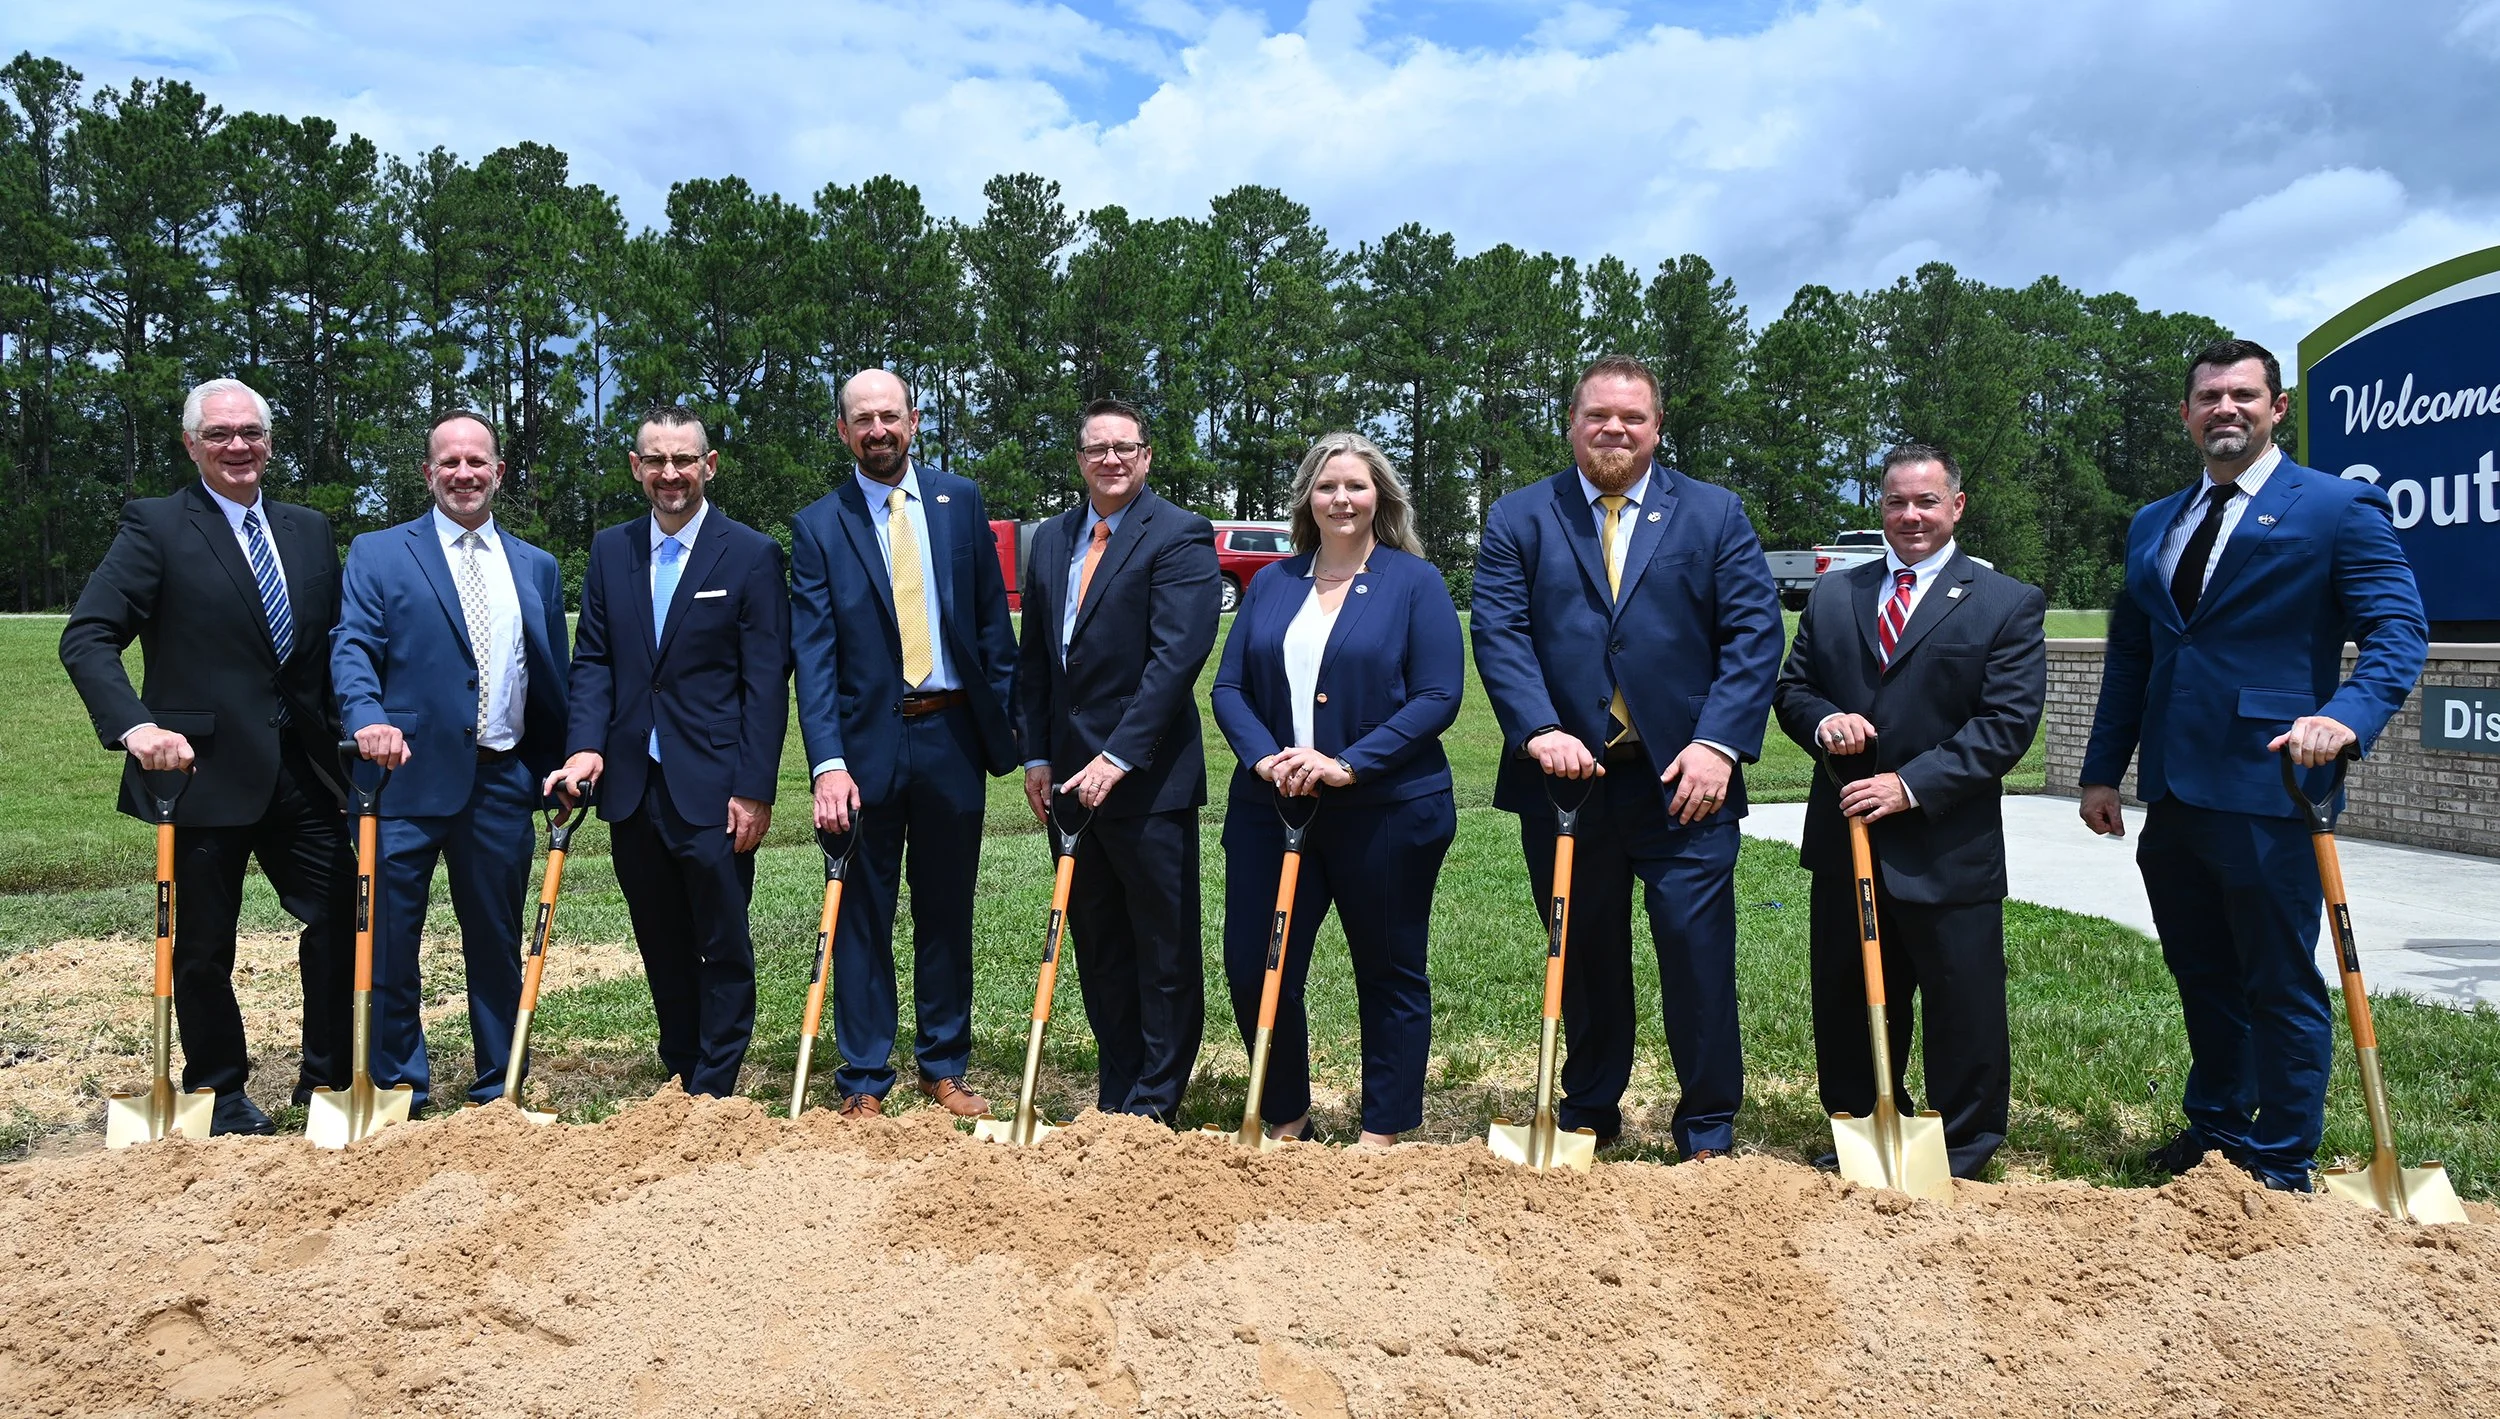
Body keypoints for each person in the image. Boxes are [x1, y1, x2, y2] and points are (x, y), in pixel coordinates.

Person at [2080, 338, 2427, 1192]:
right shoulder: (2155, 520)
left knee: (2277, 977)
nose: (2224, 409)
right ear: (2187, 413)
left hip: (2273, 782)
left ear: (2277, 409)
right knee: (2201, 970)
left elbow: (2397, 631)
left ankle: (2281, 1154)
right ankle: (2217, 1129)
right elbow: (2134, 652)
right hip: (2172, 786)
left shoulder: (2338, 507)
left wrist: (2343, 719)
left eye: (2243, 395)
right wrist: (2102, 768)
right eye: (2208, 396)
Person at [1469, 354, 1784, 1160]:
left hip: (1686, 782)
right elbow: (1499, 632)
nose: (1614, 429)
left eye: (1632, 417)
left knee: (1696, 951)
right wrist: (1538, 729)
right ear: (1571, 422)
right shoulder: (1518, 517)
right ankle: (1589, 1106)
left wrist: (1717, 744)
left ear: (1657, 426)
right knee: (1583, 950)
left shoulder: (1714, 514)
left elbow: (1753, 634)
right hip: (1565, 782)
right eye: (1598, 415)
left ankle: (1708, 1121)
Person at [58, 377, 355, 1136]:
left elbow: (328, 651)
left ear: (269, 441)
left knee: (342, 922)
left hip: (306, 772)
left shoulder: (307, 529)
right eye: (219, 434)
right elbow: (88, 635)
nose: (237, 447)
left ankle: (326, 1079)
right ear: (191, 445)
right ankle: (219, 1090)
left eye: (250, 432)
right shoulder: (156, 526)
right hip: (196, 772)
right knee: (201, 947)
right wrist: (135, 727)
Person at [1772, 444, 2046, 1178]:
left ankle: (1962, 1146)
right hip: (1846, 842)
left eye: (1926, 501)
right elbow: (1793, 690)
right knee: (1850, 1000)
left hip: (1946, 844)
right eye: (1897, 501)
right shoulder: (1835, 596)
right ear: (1881, 508)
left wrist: (1908, 784)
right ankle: (1861, 1126)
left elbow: (2005, 725)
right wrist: (1823, 718)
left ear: (1957, 506)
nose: (1911, 515)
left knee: (1965, 1005)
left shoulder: (2004, 602)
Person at [1209, 432, 1462, 1146]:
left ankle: (1384, 1128)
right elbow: (1228, 688)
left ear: (1379, 495)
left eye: (1355, 486)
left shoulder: (1416, 583)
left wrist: (1348, 762)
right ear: (1307, 500)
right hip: (1272, 807)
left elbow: (1439, 694)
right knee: (1256, 964)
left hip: (1384, 810)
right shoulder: (1273, 583)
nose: (1341, 499)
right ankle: (1287, 1113)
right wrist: (1264, 760)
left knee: (1387, 967)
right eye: (1327, 487)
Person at [789, 370, 1019, 1121]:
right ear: (842, 430)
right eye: (863, 419)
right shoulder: (819, 526)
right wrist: (826, 762)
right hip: (863, 750)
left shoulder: (960, 502)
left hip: (953, 735)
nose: (878, 429)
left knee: (948, 909)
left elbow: (992, 625)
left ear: (914, 421)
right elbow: (814, 656)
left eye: (890, 415)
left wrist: (1007, 724)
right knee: (863, 909)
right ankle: (863, 1074)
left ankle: (944, 1064)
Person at [545, 405, 790, 1099]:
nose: (670, 472)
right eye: (656, 460)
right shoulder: (609, 550)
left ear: (709, 465)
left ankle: (716, 1078)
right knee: (656, 932)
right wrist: (586, 747)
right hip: (630, 784)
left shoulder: (749, 555)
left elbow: (766, 682)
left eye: (684, 459)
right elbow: (591, 661)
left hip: (714, 786)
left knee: (719, 937)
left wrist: (754, 788)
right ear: (636, 467)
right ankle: (681, 1061)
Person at [331, 410, 570, 1113]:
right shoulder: (378, 553)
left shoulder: (535, 565)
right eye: (450, 462)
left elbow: (552, 674)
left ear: (499, 471)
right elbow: (352, 649)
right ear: (427, 473)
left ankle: (501, 1080)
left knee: (496, 942)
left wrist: (554, 765)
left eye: (478, 461)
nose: (464, 473)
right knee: (389, 941)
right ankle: (399, 1082)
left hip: (500, 782)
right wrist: (366, 716)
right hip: (399, 780)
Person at [1016, 397, 1220, 1124]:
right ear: (1079, 458)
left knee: (1161, 949)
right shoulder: (1050, 540)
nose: (1111, 459)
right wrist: (1037, 753)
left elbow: (1174, 661)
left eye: (1124, 447)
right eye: (1097, 448)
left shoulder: (1180, 535)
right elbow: (1036, 660)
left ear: (1147, 456)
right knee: (1097, 944)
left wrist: (1117, 758)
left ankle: (1158, 1101)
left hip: (1148, 784)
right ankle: (1117, 1088)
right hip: (1068, 786)